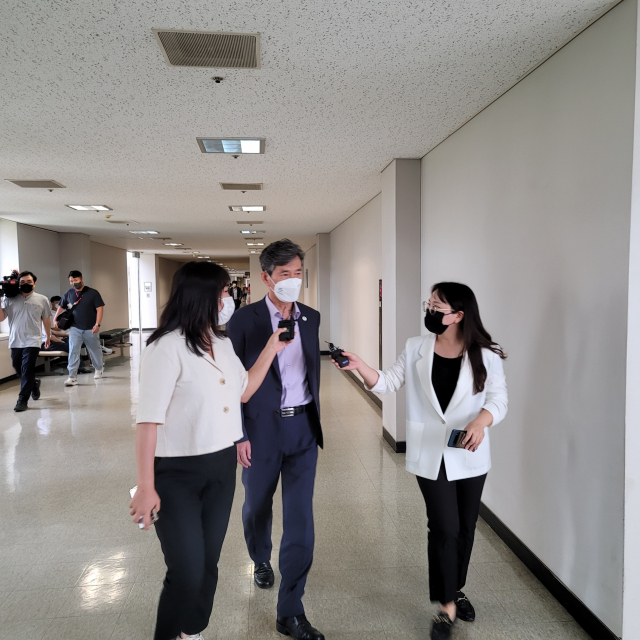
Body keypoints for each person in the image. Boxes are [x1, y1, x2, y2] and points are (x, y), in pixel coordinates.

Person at [334, 282, 508, 640]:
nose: (429, 311)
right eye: (428, 304)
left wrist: (481, 421)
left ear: (458, 315)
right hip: (430, 452)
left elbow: (499, 399)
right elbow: (387, 382)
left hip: (468, 453)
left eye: (436, 307)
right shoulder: (416, 347)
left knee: (465, 527)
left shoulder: (484, 355)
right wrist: (361, 366)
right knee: (444, 527)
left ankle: (454, 588)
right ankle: (446, 606)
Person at [129, 261, 291, 640]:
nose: (226, 301)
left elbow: (244, 391)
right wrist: (146, 486)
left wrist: (272, 347)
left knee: (208, 564)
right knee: (186, 570)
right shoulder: (165, 348)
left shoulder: (222, 343)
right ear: (201, 297)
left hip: (221, 468)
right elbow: (148, 422)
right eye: (221, 294)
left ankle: (192, 631)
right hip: (175, 474)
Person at [227, 239, 324, 640]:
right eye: (285, 274)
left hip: (302, 428)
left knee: (301, 518)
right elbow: (231, 384)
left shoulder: (311, 318)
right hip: (259, 431)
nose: (293, 280)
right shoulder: (243, 321)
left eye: (298, 273)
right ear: (266, 277)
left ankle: (291, 610)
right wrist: (238, 434)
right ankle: (260, 556)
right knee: (256, 505)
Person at [0, 270, 51, 412]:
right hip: (16, 340)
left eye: (29, 282)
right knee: (18, 368)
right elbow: (1, 318)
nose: (26, 284)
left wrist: (48, 336)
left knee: (27, 368)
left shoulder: (42, 299)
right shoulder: (10, 299)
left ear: (34, 283)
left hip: (33, 340)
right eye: (22, 282)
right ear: (18, 283)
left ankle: (22, 399)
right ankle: (34, 384)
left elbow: (46, 319)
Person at [54, 270, 105, 385]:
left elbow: (99, 309)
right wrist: (55, 318)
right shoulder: (69, 293)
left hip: (90, 327)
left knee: (94, 349)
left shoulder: (93, 293)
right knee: (73, 350)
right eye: (71, 281)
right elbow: (61, 306)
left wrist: (97, 324)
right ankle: (72, 376)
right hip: (75, 327)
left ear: (82, 279)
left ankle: (98, 368)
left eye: (75, 280)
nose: (73, 283)